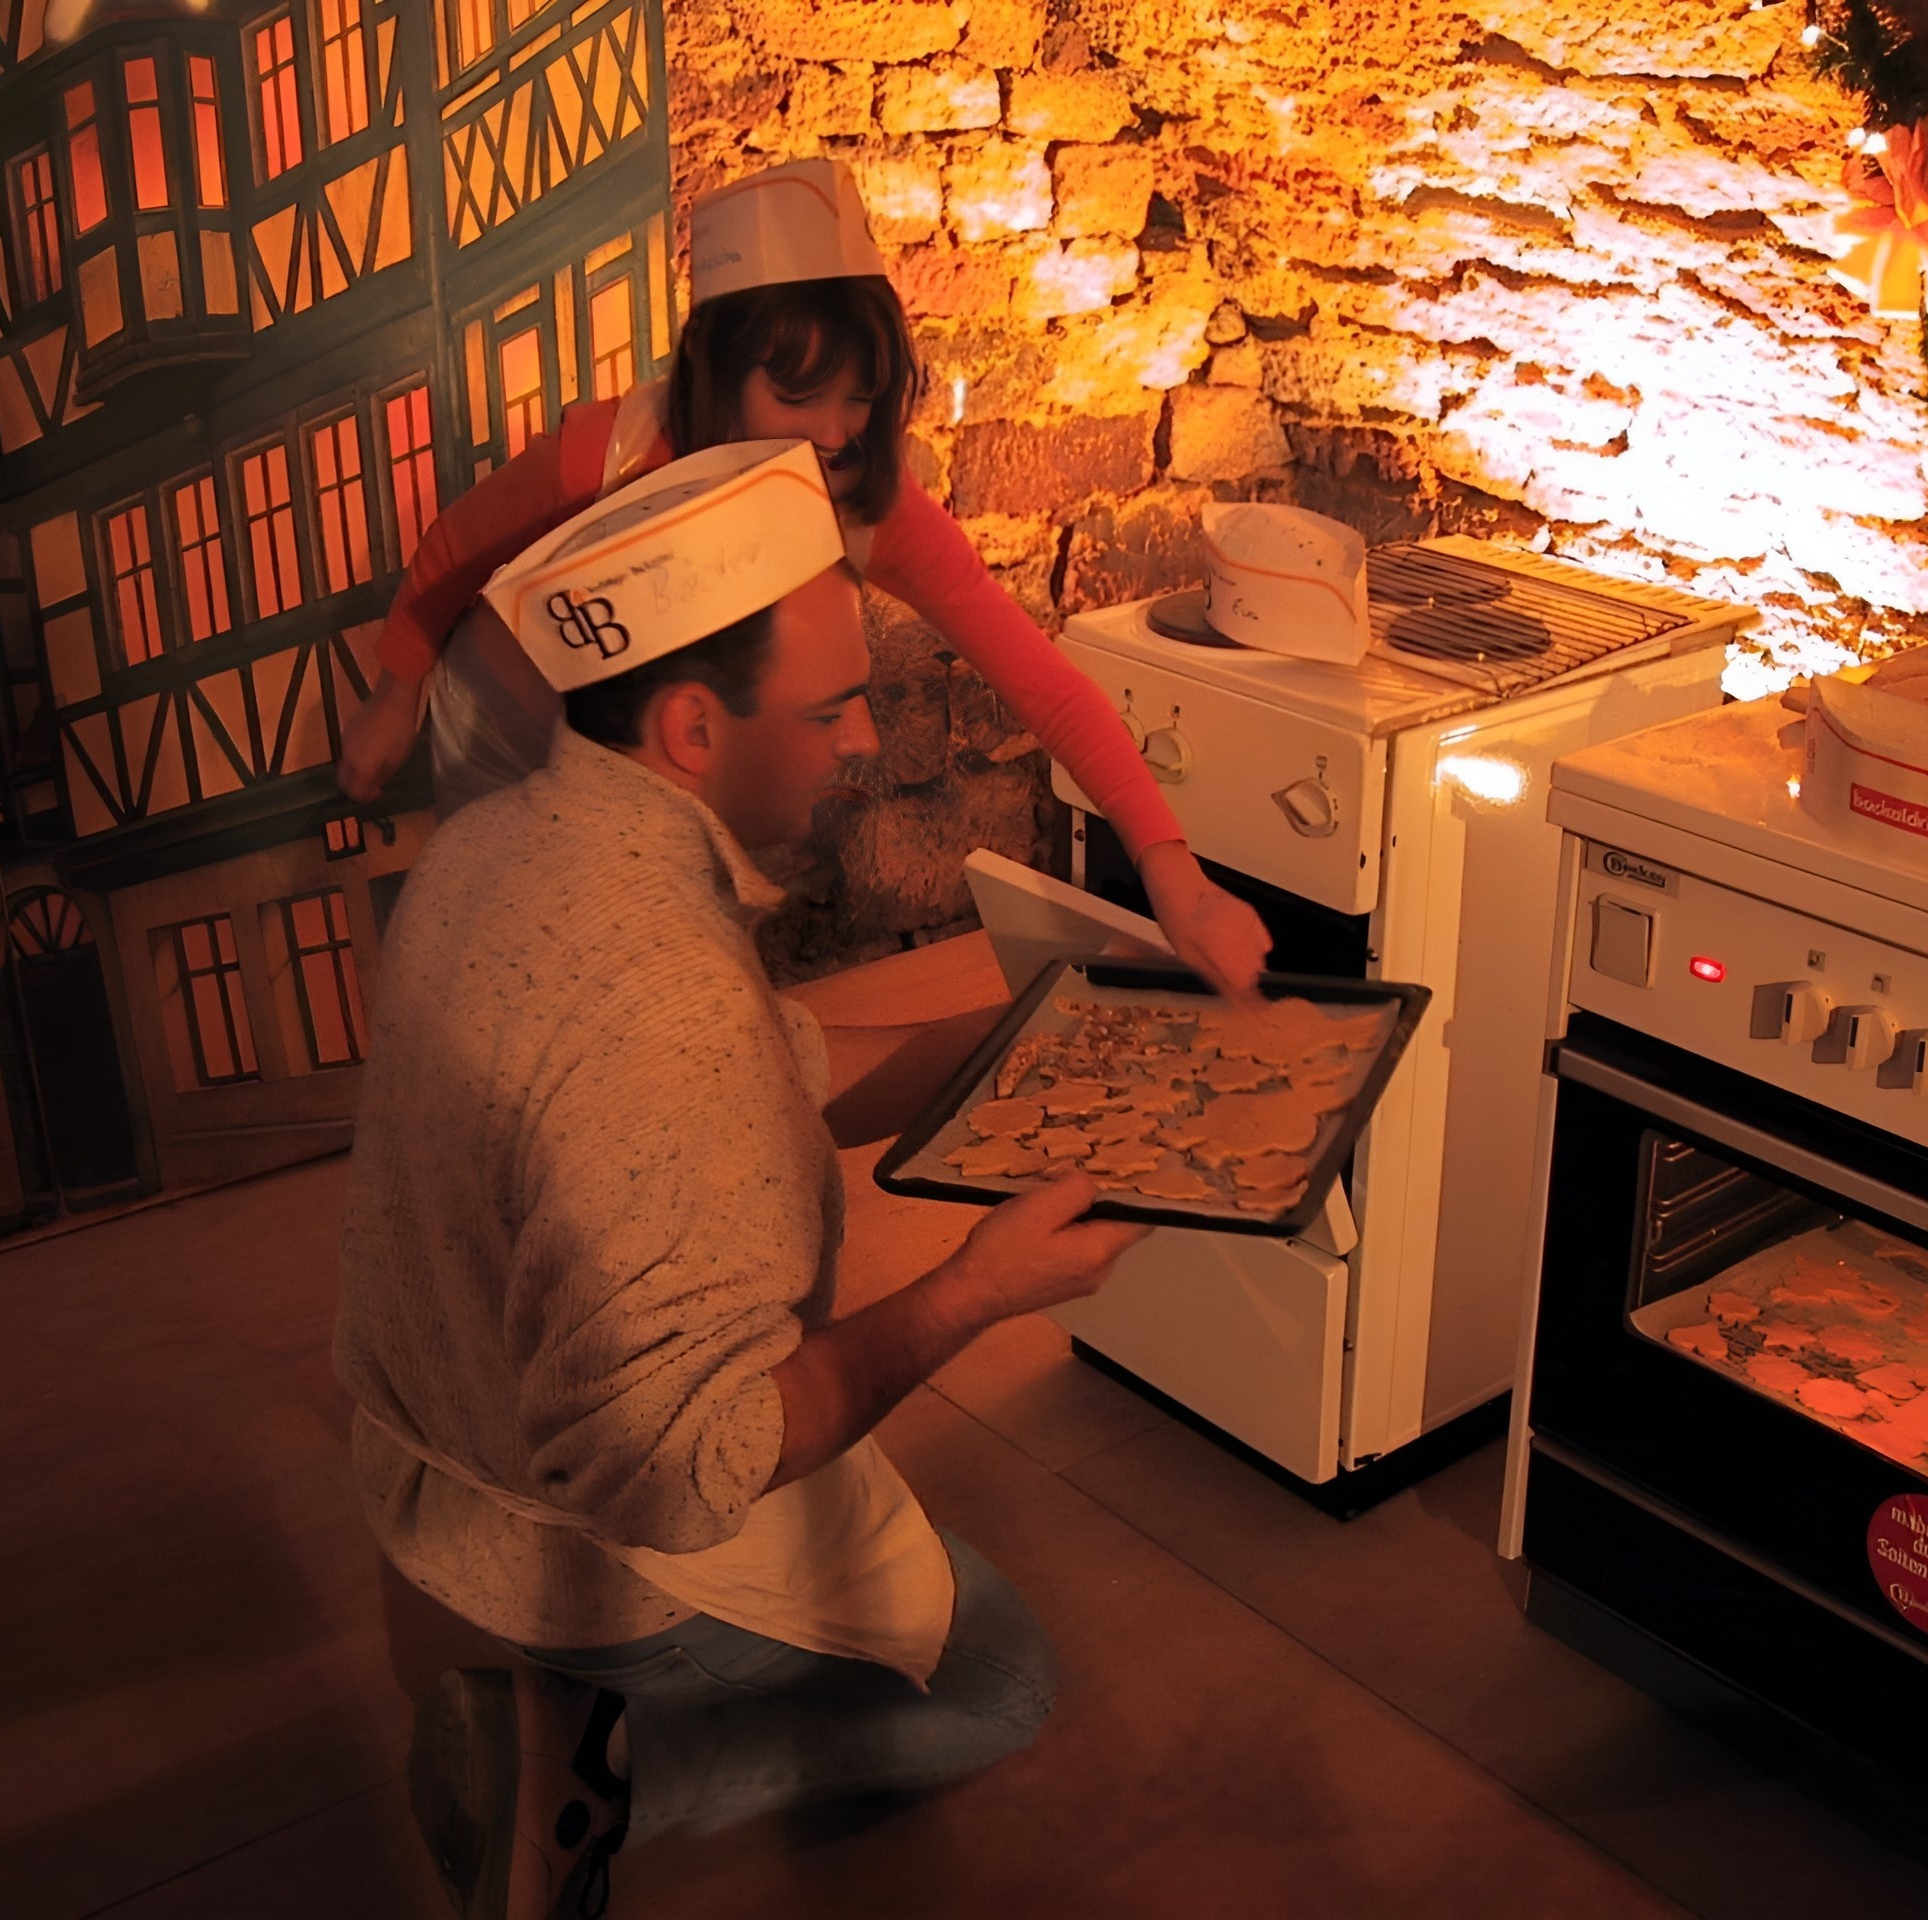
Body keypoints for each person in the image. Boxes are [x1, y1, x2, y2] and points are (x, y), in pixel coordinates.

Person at [334, 438, 1149, 1919]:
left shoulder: (519, 830)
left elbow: (765, 1072)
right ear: (696, 726)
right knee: (1002, 1683)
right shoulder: (666, 1007)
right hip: (572, 1540)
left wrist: (1027, 1034)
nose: (863, 742)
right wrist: (978, 1292)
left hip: (431, 1430)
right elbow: (682, 1465)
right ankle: (606, 1787)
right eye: (833, 707)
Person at [335, 156, 1271, 999]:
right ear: (714, 370)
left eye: (856, 397)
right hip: (500, 733)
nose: (834, 431)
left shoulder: (866, 505)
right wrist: (395, 687)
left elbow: (1051, 689)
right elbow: (455, 547)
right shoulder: (612, 453)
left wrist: (1174, 879)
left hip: (662, 774)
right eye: (796, 396)